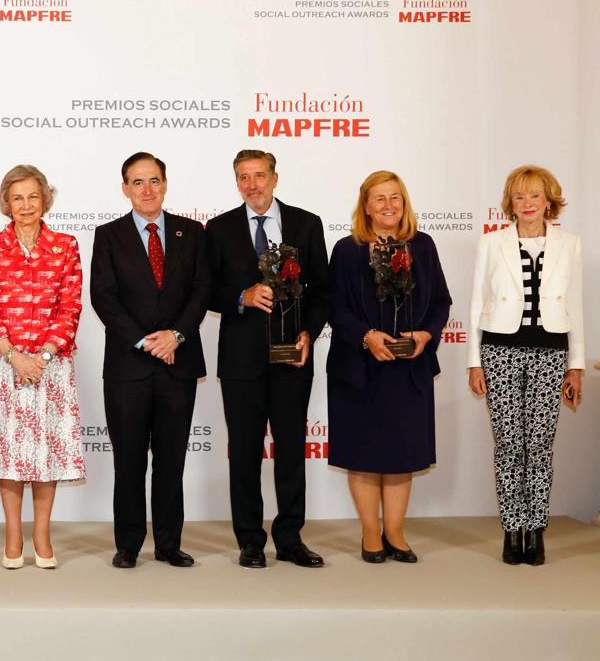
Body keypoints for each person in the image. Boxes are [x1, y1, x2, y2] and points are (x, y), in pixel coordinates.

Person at [206, 149, 328, 569]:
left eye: (259, 175)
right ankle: (250, 540)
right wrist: (241, 296)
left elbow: (322, 291)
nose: (252, 184)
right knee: (243, 453)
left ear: (275, 178)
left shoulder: (306, 224)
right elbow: (204, 291)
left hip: (292, 358)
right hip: (241, 362)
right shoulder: (218, 228)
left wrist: (308, 333)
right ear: (236, 182)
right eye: (244, 177)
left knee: (292, 449)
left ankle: (291, 538)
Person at [90, 152, 210, 569]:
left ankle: (168, 544)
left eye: (154, 180)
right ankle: (127, 544)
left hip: (178, 363)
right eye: (137, 182)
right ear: (125, 188)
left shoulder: (192, 232)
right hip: (128, 367)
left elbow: (202, 291)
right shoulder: (108, 235)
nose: (147, 189)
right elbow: (103, 297)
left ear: (165, 184)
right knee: (129, 461)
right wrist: (145, 341)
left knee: (171, 460)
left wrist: (176, 335)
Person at [327, 170, 451, 563]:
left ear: (404, 202)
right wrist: (367, 336)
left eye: (395, 197)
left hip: (408, 370)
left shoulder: (424, 246)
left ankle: (395, 534)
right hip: (358, 369)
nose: (388, 206)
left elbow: (441, 302)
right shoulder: (347, 250)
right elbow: (336, 308)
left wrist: (426, 336)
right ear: (365, 205)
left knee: (400, 456)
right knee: (364, 455)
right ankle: (370, 535)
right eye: (379, 198)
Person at [467, 165, 584, 565]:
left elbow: (576, 307)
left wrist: (576, 365)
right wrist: (473, 361)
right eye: (520, 197)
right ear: (509, 204)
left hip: (552, 352)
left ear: (549, 200)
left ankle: (535, 531)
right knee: (507, 444)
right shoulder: (491, 243)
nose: (528, 203)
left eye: (535, 196)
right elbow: (477, 303)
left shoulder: (570, 244)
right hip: (498, 351)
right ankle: (511, 529)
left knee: (538, 444)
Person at [0, 164, 84, 570]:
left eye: (33, 197)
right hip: (3, 365)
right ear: (6, 203)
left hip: (50, 365)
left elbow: (70, 306)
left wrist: (44, 357)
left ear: (45, 200)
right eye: (17, 197)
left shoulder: (65, 245)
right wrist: (14, 356)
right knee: (7, 452)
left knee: (46, 452)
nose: (25, 205)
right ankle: (12, 534)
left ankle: (42, 534)